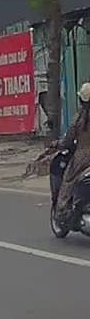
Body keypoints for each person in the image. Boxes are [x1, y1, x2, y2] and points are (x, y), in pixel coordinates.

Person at [48, 83, 90, 227]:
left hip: (83, 157)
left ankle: (62, 212)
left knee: (67, 181)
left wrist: (57, 144)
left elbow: (67, 141)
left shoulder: (79, 118)